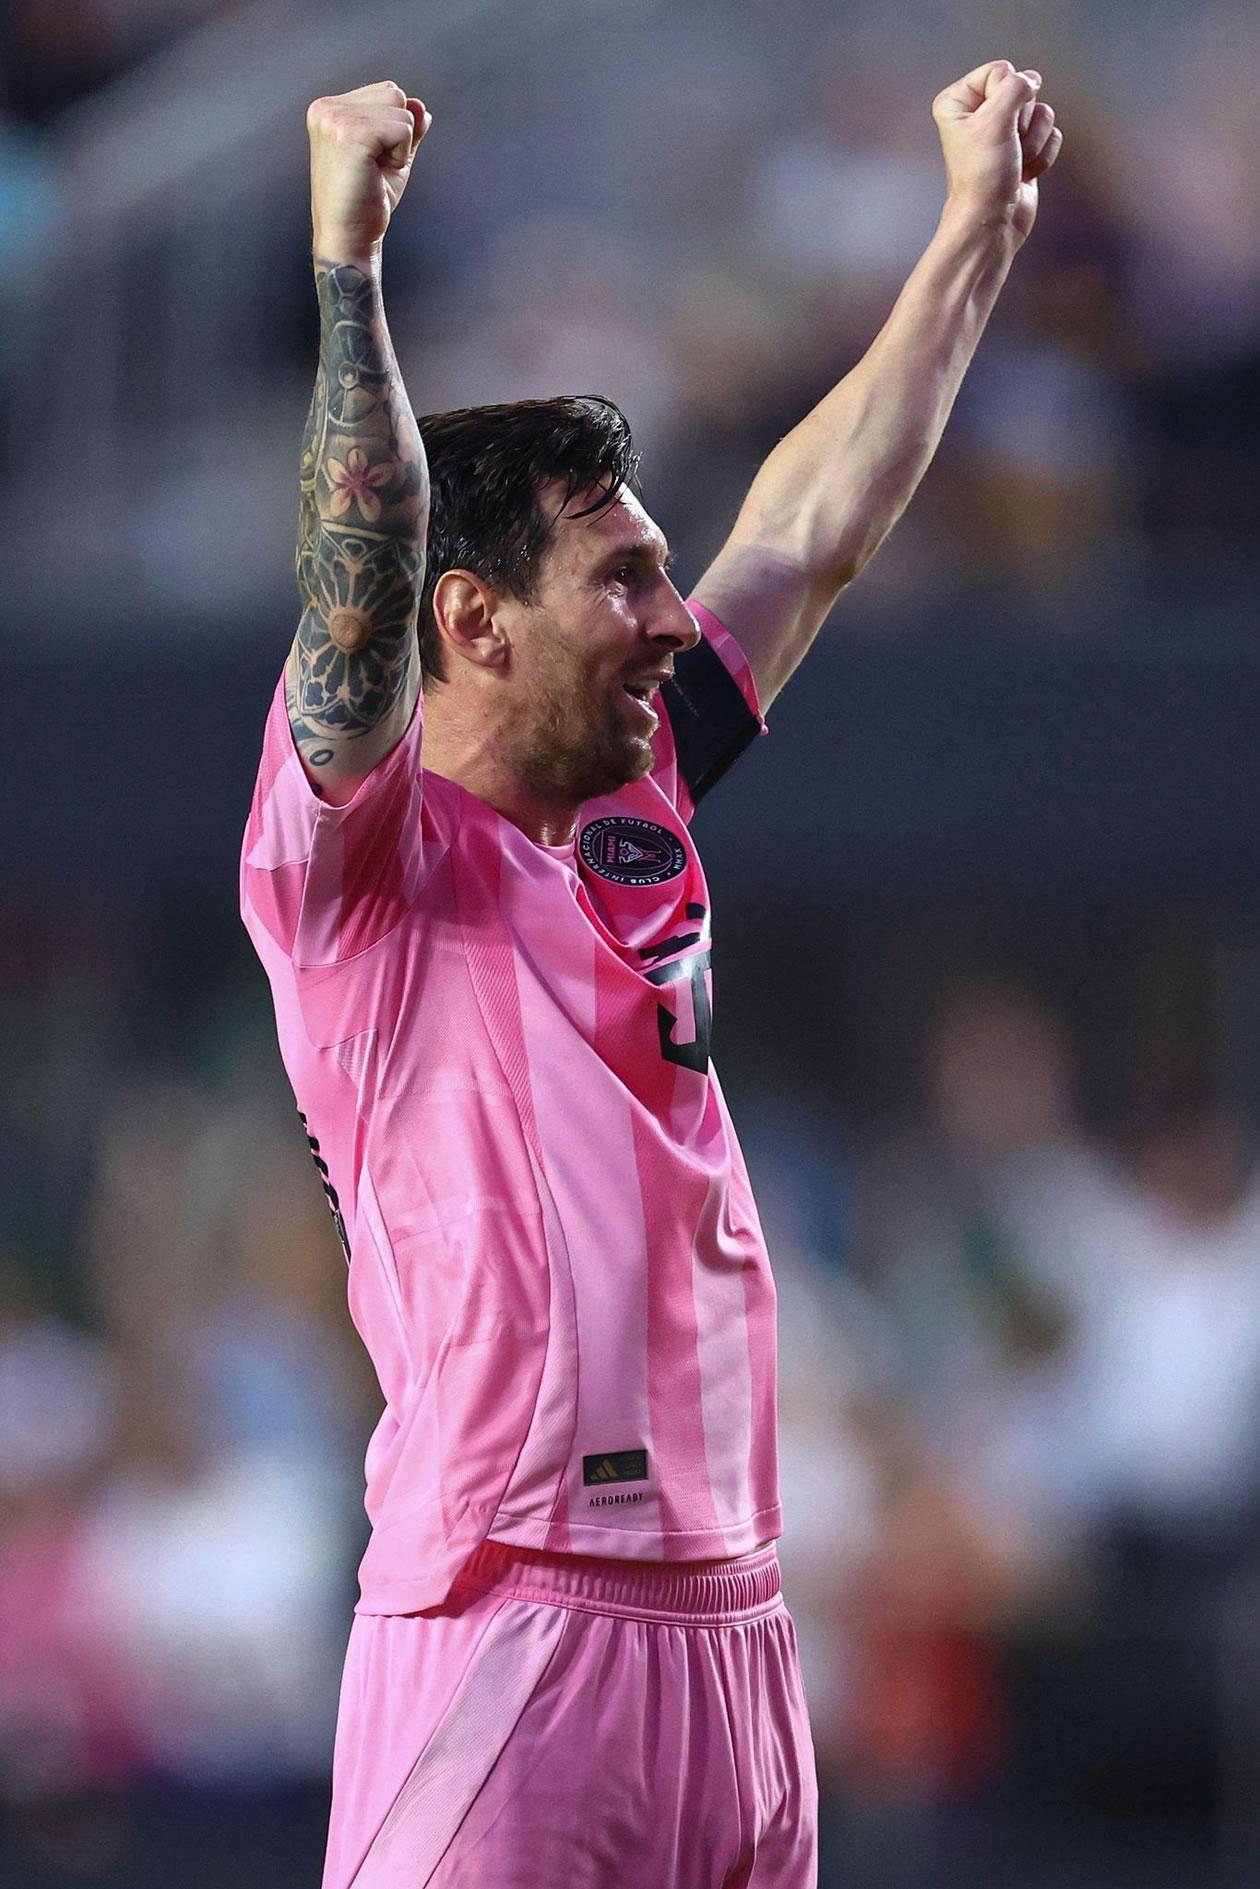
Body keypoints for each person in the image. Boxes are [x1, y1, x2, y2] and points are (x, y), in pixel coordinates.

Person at [240, 63, 1061, 1889]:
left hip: (742, 1630)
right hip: (510, 1631)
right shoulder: (355, 866)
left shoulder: (645, 792)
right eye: (621, 581)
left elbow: (813, 527)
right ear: (475, 622)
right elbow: (358, 583)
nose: (676, 622)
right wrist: (350, 267)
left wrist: (968, 242)